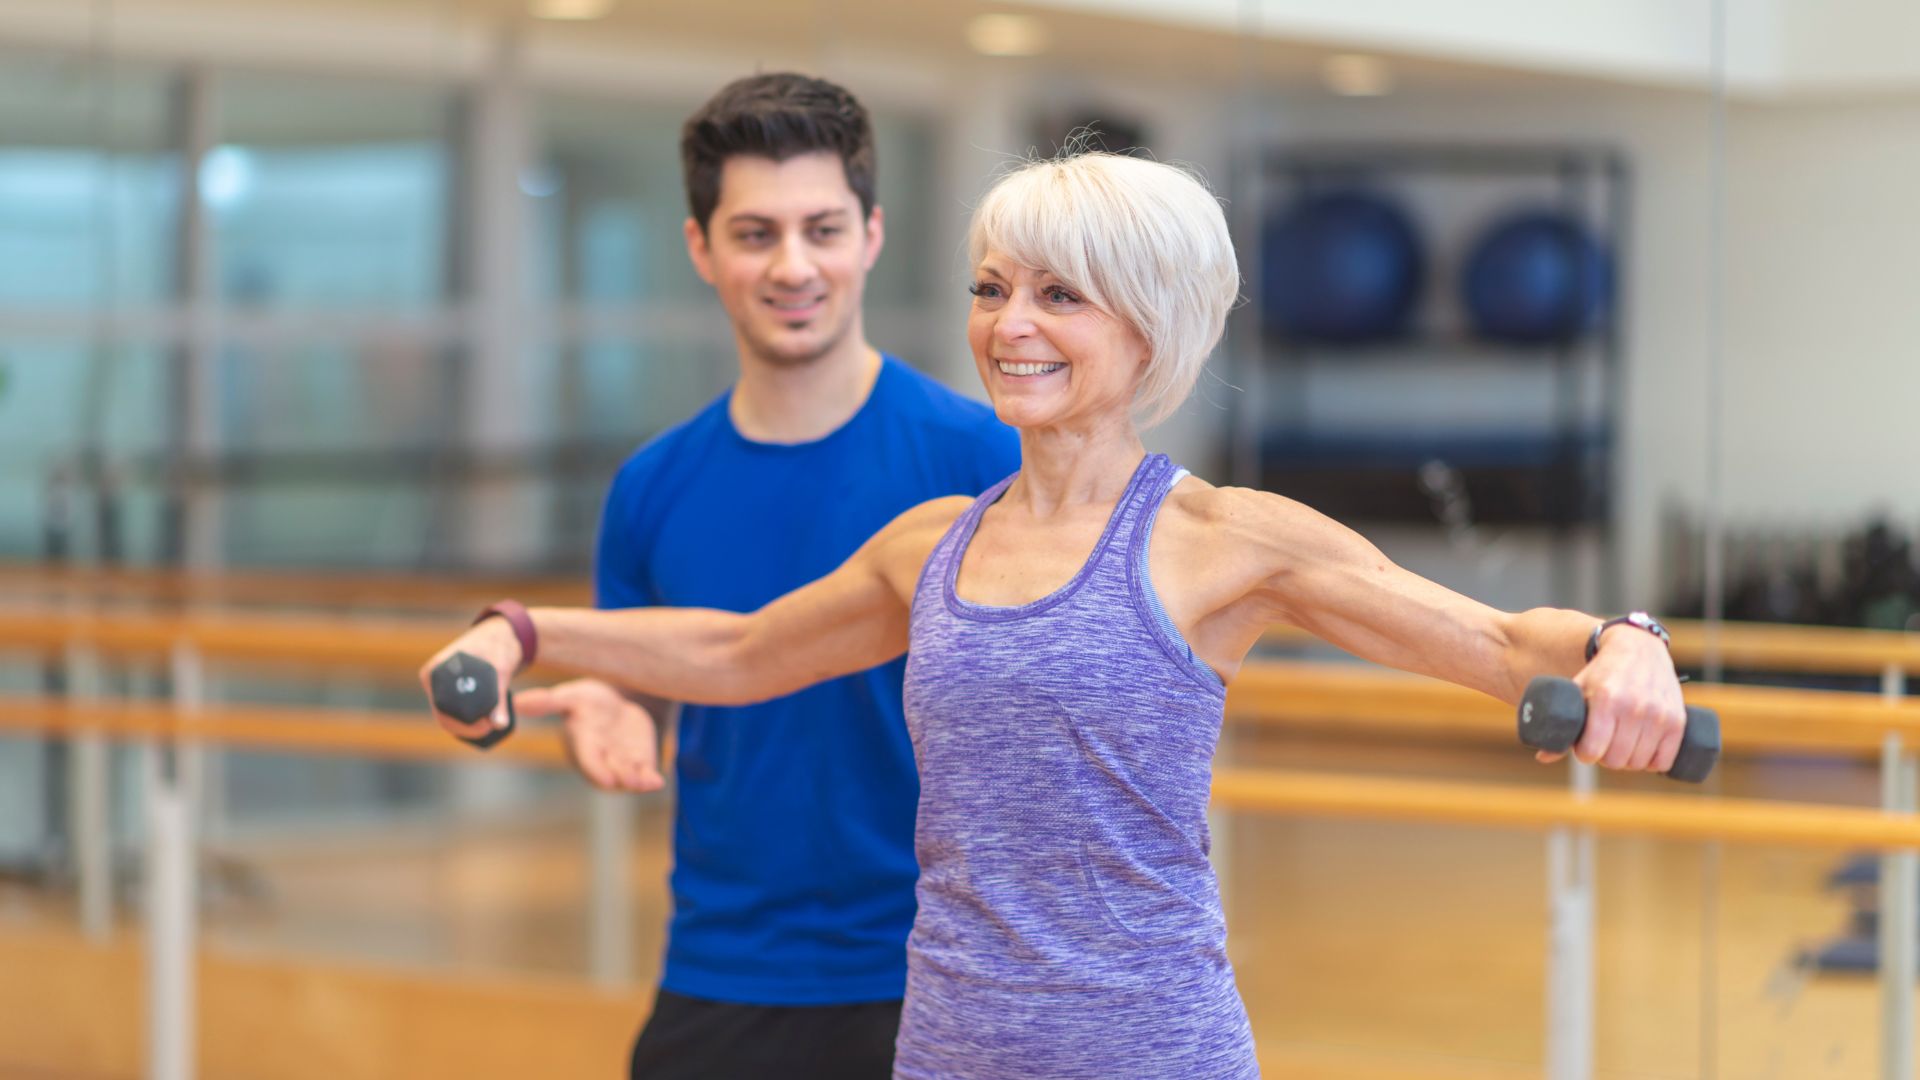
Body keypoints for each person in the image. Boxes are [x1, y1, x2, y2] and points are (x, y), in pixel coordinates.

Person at [427, 150, 1687, 1079]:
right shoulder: (936, 543)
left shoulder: (1220, 540)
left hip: (1149, 1051)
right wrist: (527, 632)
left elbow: (1502, 642)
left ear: (1150, 330)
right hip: (947, 1047)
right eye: (991, 289)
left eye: (1061, 297)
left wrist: (1630, 641)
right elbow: (739, 650)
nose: (1010, 326)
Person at [506, 73, 1018, 1079]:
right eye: (755, 234)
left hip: (940, 975)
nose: (794, 266)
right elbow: (643, 699)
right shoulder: (652, 488)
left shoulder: (981, 462)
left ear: (870, 234)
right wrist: (612, 719)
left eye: (823, 229)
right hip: (724, 973)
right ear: (701, 248)